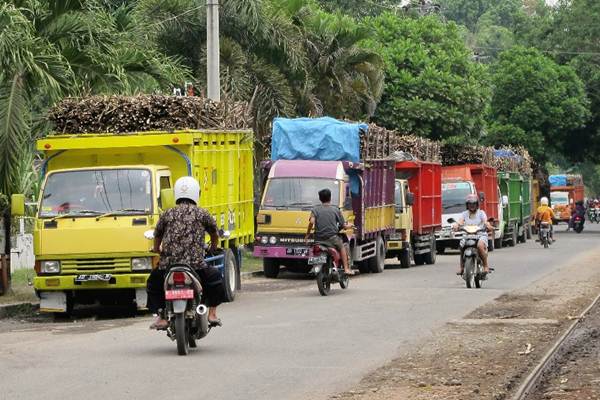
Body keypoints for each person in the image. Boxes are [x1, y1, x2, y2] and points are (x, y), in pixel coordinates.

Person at [147, 176, 225, 330]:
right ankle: (212, 314)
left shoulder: (167, 214)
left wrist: (157, 249)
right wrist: (214, 246)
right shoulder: (202, 213)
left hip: (168, 266)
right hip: (196, 265)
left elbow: (157, 234)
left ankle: (161, 317)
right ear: (196, 193)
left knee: (153, 283)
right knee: (215, 279)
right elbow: (215, 233)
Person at [305, 188, 355, 276]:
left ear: (320, 199)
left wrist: (308, 234)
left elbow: (311, 222)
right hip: (332, 239)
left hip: (318, 239)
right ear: (330, 198)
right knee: (342, 248)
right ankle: (346, 269)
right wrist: (350, 225)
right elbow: (344, 226)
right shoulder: (335, 210)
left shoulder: (315, 209)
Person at [454, 194, 494, 277]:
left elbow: (485, 221)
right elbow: (460, 221)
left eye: (474, 204)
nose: (472, 206)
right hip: (467, 235)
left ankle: (486, 266)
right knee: (462, 246)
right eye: (470, 204)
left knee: (480, 246)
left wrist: (488, 225)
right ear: (467, 205)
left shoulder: (481, 213)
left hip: (480, 235)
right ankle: (462, 267)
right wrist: (456, 225)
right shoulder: (464, 214)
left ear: (477, 204)